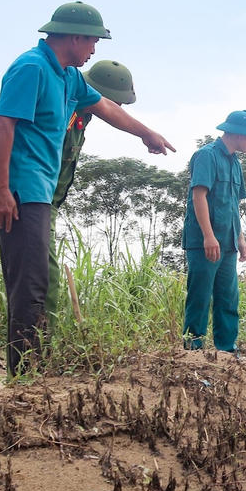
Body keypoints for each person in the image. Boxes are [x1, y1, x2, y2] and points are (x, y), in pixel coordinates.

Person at [0, 1, 174, 375]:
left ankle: (33, 369)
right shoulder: (32, 68)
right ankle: (26, 376)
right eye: (92, 43)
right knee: (31, 285)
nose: (93, 51)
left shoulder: (69, 76)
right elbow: (1, 125)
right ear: (73, 37)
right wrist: (1, 190)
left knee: (37, 281)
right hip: (20, 191)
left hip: (39, 191)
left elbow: (105, 106)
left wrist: (145, 133)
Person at [46, 59, 137, 321]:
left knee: (44, 275)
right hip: (34, 199)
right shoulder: (66, 109)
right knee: (45, 277)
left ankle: (40, 346)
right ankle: (37, 349)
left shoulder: (81, 116)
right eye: (114, 103)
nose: (115, 109)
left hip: (48, 204)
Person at [182, 110, 246, 354]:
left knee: (228, 298)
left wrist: (241, 239)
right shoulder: (206, 156)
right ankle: (193, 348)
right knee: (200, 294)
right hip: (204, 241)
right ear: (238, 134)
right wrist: (208, 235)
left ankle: (226, 349)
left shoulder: (235, 162)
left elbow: (234, 205)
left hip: (227, 243)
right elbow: (199, 195)